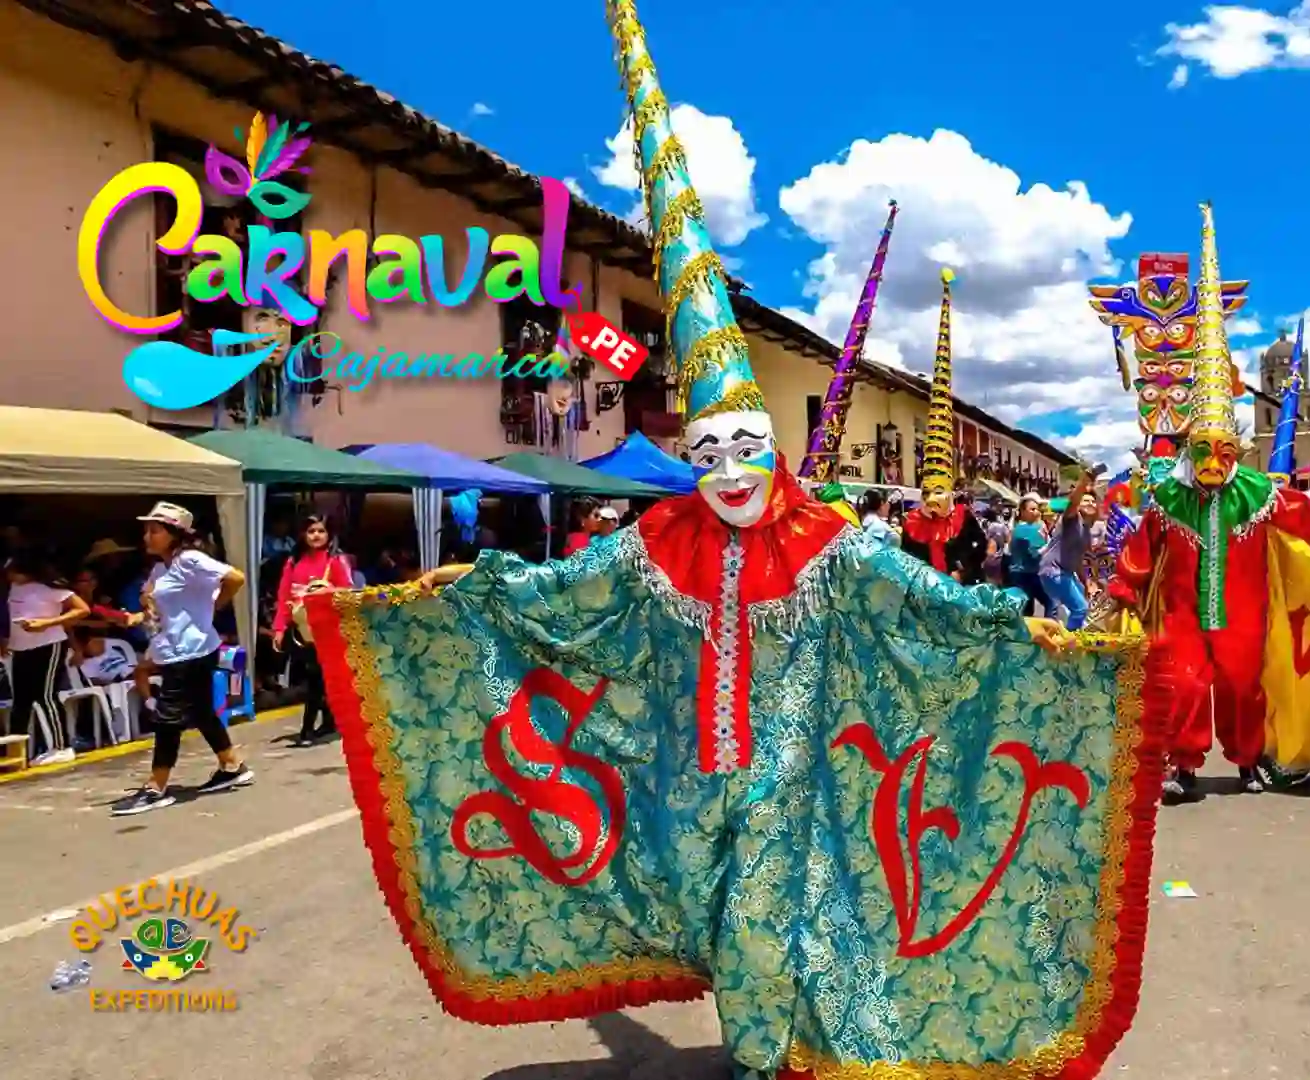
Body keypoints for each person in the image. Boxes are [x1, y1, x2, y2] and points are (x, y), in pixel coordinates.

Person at [304, 30, 1157, 1080]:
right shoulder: (657, 542)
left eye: (747, 448)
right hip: (676, 776)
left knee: (764, 906)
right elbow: (557, 595)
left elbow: (931, 601)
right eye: (708, 453)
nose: (731, 470)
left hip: (793, 777)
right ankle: (782, 1028)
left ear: (777, 450)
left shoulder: (832, 541)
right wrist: (462, 589)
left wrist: (1022, 626)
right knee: (719, 918)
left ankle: (762, 1059)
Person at [1108, 203, 1310, 803]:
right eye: (1204, 449)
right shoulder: (1167, 496)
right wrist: (1122, 592)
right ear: (1193, 446)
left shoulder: (1260, 494)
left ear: (1236, 451)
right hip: (1182, 614)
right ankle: (1184, 767)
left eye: (1224, 451)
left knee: (1243, 684)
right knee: (1183, 685)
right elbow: (1140, 552)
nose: (1214, 463)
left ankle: (1246, 760)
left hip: (1243, 613)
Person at [110, 503, 253, 816]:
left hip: (189, 651)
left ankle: (156, 787)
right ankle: (232, 766)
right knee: (202, 711)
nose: (147, 536)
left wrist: (216, 606)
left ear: (175, 535)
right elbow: (162, 607)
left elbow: (236, 578)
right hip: (178, 648)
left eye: (155, 530)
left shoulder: (190, 560)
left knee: (168, 718)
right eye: (146, 529)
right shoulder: (162, 568)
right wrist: (141, 614)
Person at [898, 270, 990, 585]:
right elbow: (907, 558)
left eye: (937, 491)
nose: (931, 499)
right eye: (927, 492)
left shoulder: (963, 519)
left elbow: (979, 549)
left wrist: (961, 570)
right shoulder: (911, 523)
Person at [272, 514, 353, 747]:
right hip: (302, 632)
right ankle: (328, 722)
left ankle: (307, 729)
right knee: (317, 678)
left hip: (330, 630)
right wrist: (279, 628)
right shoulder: (293, 562)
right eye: (311, 531)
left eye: (320, 531)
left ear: (329, 534)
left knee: (317, 679)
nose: (316, 535)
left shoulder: (336, 561)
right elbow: (283, 596)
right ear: (302, 535)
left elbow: (348, 593)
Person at [4, 555, 89, 765]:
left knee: (46, 695)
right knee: (21, 701)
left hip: (48, 645)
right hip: (21, 648)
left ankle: (62, 746)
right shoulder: (14, 587)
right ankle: (16, 753)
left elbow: (82, 609)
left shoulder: (51, 588)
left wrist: (47, 623)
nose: (8, 574)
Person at [1038, 467, 1105, 631]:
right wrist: (1086, 480)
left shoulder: (1087, 530)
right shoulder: (1072, 518)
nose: (1090, 503)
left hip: (1065, 572)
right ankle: (1069, 645)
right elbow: (1074, 500)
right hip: (1053, 570)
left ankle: (1059, 635)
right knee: (1080, 608)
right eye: (1086, 500)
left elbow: (1078, 561)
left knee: (1083, 606)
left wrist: (1087, 582)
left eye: (1092, 501)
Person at [1006, 493, 1049, 614]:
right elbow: (1035, 553)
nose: (1036, 512)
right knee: (1050, 602)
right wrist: (1051, 545)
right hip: (1026, 574)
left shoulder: (1026, 527)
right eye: (1032, 509)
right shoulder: (1026, 528)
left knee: (1027, 610)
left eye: (1037, 509)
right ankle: (1049, 630)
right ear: (1023, 512)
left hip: (1024, 573)